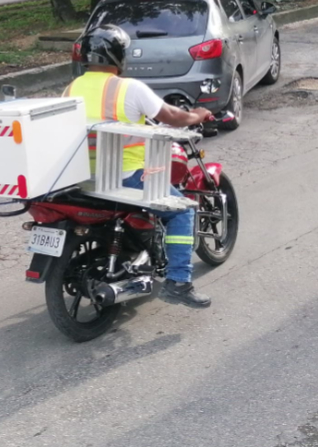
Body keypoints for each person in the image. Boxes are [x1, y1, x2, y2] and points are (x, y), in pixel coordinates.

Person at [64, 24, 216, 308]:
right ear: (119, 56)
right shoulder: (129, 88)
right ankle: (178, 282)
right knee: (182, 210)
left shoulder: (71, 88)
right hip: (125, 177)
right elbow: (172, 116)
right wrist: (197, 115)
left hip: (83, 178)